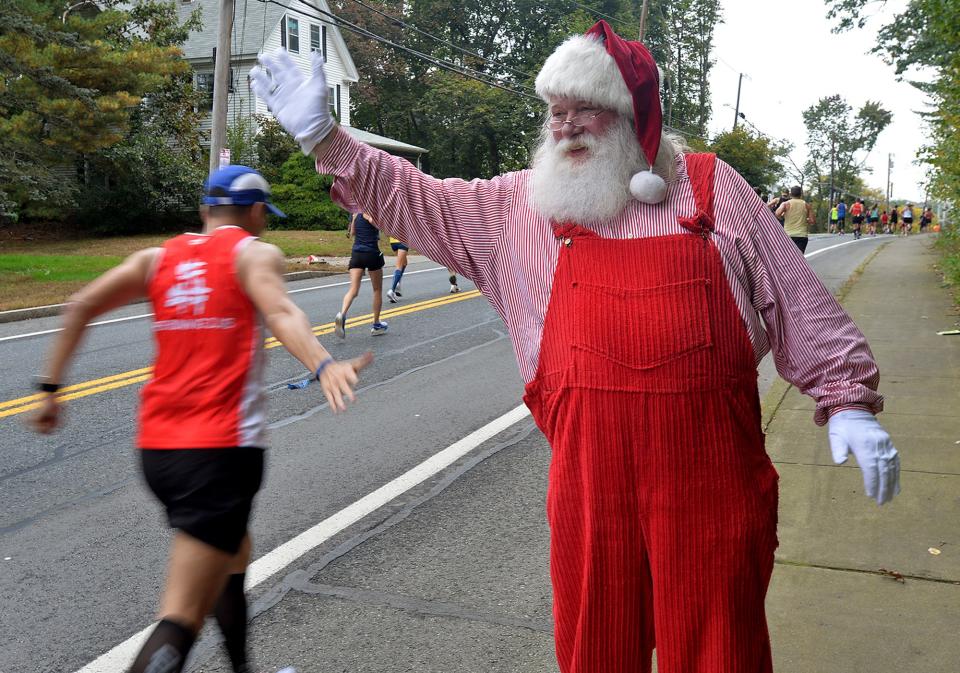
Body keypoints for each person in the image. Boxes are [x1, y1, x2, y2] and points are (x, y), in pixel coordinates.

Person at [251, 25, 900, 672]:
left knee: (719, 652)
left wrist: (848, 399)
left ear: (635, 118)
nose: (565, 126)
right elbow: (416, 198)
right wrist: (327, 140)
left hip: (714, 492)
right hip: (593, 501)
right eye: (555, 111)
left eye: (584, 108)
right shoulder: (521, 209)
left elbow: (797, 298)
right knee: (596, 653)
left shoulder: (710, 190)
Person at [31, 165, 371, 673]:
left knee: (232, 557)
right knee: (182, 614)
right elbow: (280, 312)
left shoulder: (154, 259)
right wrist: (323, 363)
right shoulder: (254, 254)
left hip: (159, 452)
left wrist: (50, 392)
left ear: (204, 210)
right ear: (257, 214)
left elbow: (79, 306)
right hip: (219, 454)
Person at [337, 211, 388, 337]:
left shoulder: (355, 212)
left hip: (357, 253)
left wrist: (355, 219)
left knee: (353, 289)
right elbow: (382, 227)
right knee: (377, 289)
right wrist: (370, 218)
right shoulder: (372, 211)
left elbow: (352, 233)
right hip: (371, 253)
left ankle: (342, 314)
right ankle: (376, 324)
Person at [775, 185, 815, 253]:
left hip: (788, 235)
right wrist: (805, 220)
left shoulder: (785, 204)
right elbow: (812, 221)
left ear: (790, 194)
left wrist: (783, 218)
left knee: (788, 257)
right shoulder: (807, 205)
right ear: (801, 194)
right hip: (802, 236)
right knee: (799, 259)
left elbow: (777, 214)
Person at [387, 235, 407, 303]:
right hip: (402, 241)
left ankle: (397, 283)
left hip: (393, 242)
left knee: (404, 263)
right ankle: (392, 290)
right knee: (399, 266)